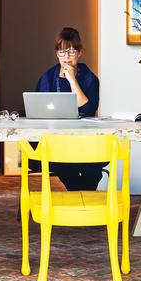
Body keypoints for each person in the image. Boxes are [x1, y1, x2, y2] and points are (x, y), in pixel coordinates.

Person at [33, 26, 104, 191]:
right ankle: (81, 198)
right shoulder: (48, 77)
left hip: (86, 139)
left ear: (80, 53)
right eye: (62, 52)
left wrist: (72, 80)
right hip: (57, 139)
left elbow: (88, 108)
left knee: (93, 166)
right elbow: (38, 109)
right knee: (62, 163)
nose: (66, 57)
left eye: (71, 52)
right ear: (56, 53)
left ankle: (81, 199)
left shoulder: (89, 78)